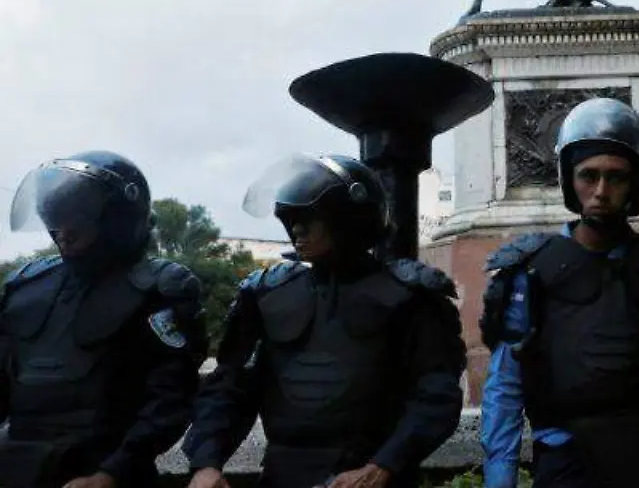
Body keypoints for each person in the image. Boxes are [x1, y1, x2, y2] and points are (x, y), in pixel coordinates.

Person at [479, 97, 639, 488]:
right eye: (588, 176)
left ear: (636, 182)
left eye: (617, 177)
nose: (602, 190)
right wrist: (499, 479)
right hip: (569, 461)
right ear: (569, 180)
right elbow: (505, 389)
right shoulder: (531, 270)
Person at [183, 153, 466, 488]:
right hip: (284, 476)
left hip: (371, 478)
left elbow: (437, 396)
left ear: (347, 220)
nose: (296, 231)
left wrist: (383, 465)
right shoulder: (266, 295)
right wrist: (206, 462)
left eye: (308, 219)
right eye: (290, 220)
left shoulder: (411, 296)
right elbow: (229, 387)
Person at [0, 151, 207, 488]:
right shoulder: (26, 287)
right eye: (56, 217)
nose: (62, 232)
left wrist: (109, 474)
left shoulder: (158, 289)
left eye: (77, 218)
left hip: (107, 472)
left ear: (116, 220)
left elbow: (170, 399)